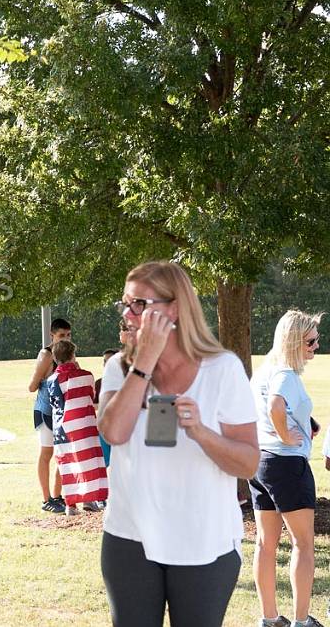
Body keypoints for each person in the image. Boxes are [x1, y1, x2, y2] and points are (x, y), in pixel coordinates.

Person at [98, 261, 259, 627]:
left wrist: (202, 432)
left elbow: (248, 463)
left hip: (203, 540)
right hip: (130, 537)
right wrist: (145, 363)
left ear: (173, 308)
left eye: (138, 304)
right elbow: (113, 433)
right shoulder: (119, 369)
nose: (128, 313)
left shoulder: (222, 369)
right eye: (125, 303)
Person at [251, 310, 323, 627]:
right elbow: (276, 406)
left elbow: (267, 409)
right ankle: (300, 621)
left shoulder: (264, 371)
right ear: (294, 341)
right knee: (303, 544)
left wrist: (305, 425)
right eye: (310, 341)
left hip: (260, 464)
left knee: (266, 544)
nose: (316, 347)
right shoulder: (286, 375)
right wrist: (285, 434)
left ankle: (269, 619)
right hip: (287, 464)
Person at [45, 340, 107, 515]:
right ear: (73, 356)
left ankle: (70, 504)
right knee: (88, 462)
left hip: (61, 428)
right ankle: (89, 499)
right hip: (84, 425)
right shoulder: (86, 376)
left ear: (55, 359)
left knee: (68, 463)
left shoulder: (51, 380)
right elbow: (90, 395)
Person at [28, 317, 72, 513]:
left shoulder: (69, 354)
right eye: (61, 335)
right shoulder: (46, 355)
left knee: (62, 453)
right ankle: (46, 499)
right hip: (45, 411)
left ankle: (57, 496)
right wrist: (48, 382)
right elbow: (31, 386)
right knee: (47, 454)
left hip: (61, 412)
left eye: (69, 335)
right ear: (52, 335)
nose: (65, 339)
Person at [95, 347, 121, 467]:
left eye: (110, 361)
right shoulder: (99, 383)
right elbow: (93, 404)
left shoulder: (128, 383)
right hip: (103, 428)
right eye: (105, 361)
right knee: (105, 463)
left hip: (121, 427)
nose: (107, 364)